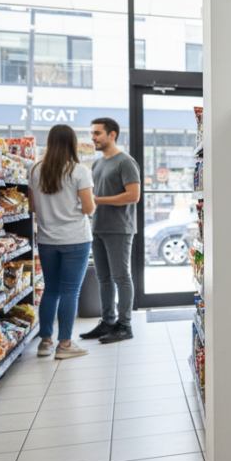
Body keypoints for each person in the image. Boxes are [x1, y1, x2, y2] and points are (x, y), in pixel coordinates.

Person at [29, 125, 95, 359]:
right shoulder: (78, 171)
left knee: (51, 289)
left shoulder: (36, 170)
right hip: (75, 239)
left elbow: (32, 207)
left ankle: (45, 342)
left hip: (47, 239)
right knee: (70, 291)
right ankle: (65, 345)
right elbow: (88, 208)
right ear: (72, 143)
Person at [80, 118, 140, 343]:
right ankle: (107, 322)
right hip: (98, 227)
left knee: (121, 277)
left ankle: (125, 326)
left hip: (119, 229)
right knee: (103, 278)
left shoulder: (126, 162)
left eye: (97, 133)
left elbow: (133, 196)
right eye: (92, 133)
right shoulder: (97, 164)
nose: (93, 138)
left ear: (112, 135)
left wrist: (97, 200)